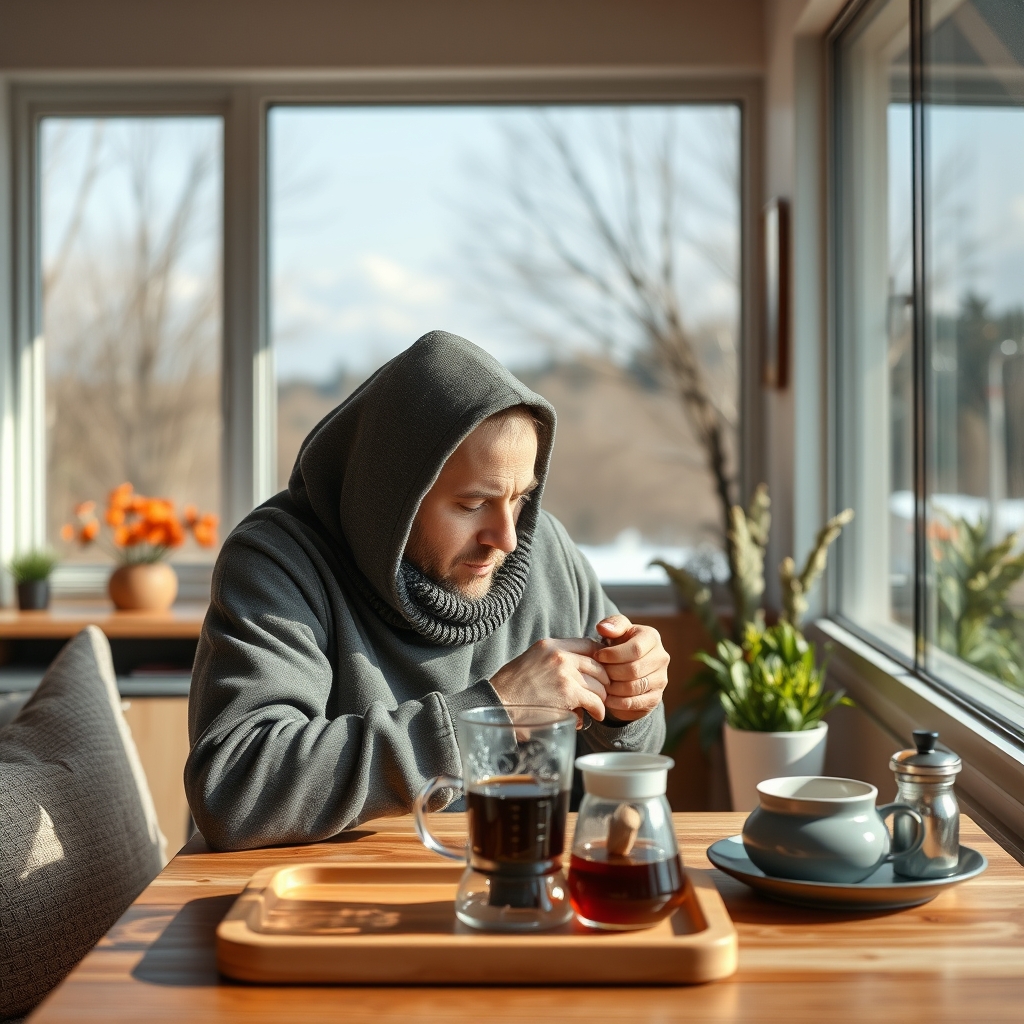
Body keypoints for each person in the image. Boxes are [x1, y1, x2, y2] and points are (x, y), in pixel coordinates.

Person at [185, 331, 669, 851]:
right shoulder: (278, 560)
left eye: (521, 498)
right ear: (393, 497)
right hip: (327, 906)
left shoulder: (544, 549)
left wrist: (626, 702)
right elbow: (235, 787)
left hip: (515, 894)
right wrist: (492, 713)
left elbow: (632, 755)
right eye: (471, 504)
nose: (506, 537)